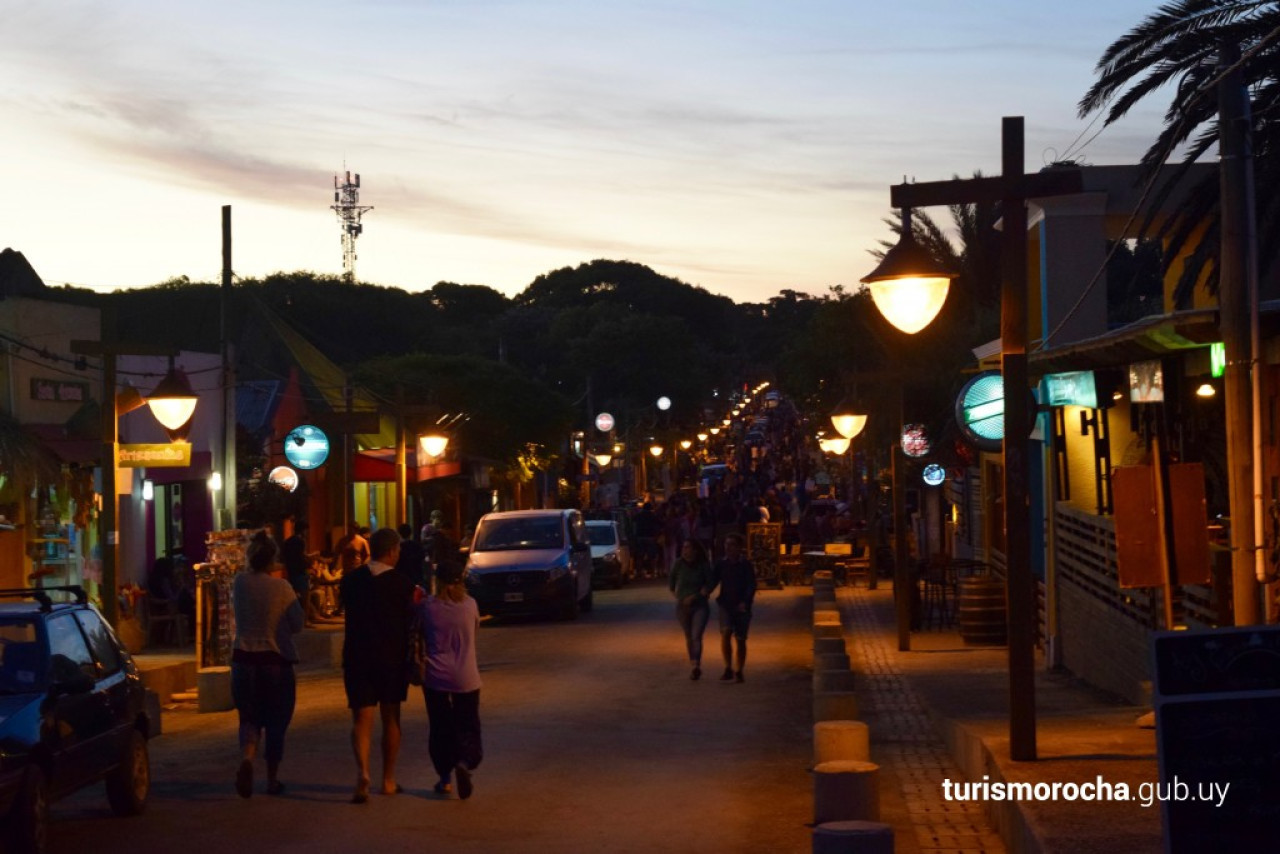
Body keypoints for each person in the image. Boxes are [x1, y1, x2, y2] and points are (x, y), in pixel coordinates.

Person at [341, 527, 415, 803]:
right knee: (391, 717)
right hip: (392, 658)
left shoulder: (351, 581)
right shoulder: (402, 584)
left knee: (362, 718)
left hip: (358, 657)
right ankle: (388, 779)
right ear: (393, 551)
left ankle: (363, 773)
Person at [231, 530, 305, 798]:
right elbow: (297, 624)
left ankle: (247, 760)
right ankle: (272, 779)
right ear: (272, 559)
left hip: (243, 659)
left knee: (249, 717)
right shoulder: (282, 588)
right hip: (275, 661)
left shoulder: (239, 583)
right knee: (276, 720)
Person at [413, 560, 483, 800]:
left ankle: (444, 779)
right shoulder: (471, 605)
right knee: (468, 725)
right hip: (466, 677)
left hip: (436, 677)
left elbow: (418, 633)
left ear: (438, 581)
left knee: (440, 729)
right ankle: (464, 761)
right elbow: (475, 632)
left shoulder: (427, 607)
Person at [712, 533, 757, 683]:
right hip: (725, 603)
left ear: (739, 547)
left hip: (742, 605)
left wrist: (745, 601)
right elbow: (713, 580)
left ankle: (739, 669)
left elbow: (751, 585)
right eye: (726, 545)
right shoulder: (721, 564)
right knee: (725, 633)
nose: (728, 548)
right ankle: (727, 667)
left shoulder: (745, 565)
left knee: (740, 639)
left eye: (732, 545)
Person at [668, 539, 713, 680]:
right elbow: (671, 584)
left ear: (695, 550)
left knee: (696, 635)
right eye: (684, 547)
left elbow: (709, 584)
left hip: (699, 605)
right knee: (688, 636)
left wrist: (698, 595)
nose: (685, 550)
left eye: (688, 547)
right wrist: (679, 597)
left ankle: (696, 665)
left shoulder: (703, 566)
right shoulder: (678, 564)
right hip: (683, 607)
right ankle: (693, 663)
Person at [281, 522, 310, 603]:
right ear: (303, 530)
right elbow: (301, 557)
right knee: (305, 598)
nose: (307, 533)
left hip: (291, 572)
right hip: (300, 573)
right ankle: (305, 615)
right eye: (306, 530)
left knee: (294, 597)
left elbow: (285, 556)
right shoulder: (300, 541)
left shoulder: (287, 541)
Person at [394, 523, 427, 590]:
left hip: (402, 580)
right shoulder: (417, 546)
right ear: (410, 533)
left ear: (399, 534)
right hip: (417, 578)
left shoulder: (397, 548)